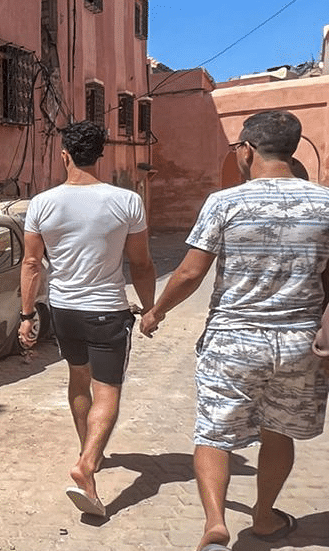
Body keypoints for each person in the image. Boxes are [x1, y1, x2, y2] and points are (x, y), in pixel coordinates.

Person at [140, 110, 329, 551]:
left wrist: (156, 312)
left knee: (213, 432)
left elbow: (189, 272)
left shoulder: (225, 203)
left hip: (233, 342)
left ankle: (215, 525)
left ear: (246, 149)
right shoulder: (325, 204)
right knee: (278, 431)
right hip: (299, 341)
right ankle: (263, 520)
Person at [19, 120, 156, 517]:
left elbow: (32, 264)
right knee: (108, 390)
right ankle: (87, 464)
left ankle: (86, 450)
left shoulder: (42, 203)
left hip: (64, 310)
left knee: (78, 379)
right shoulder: (126, 200)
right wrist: (149, 308)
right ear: (101, 155)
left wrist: (27, 315)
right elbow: (142, 263)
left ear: (64, 156)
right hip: (107, 311)